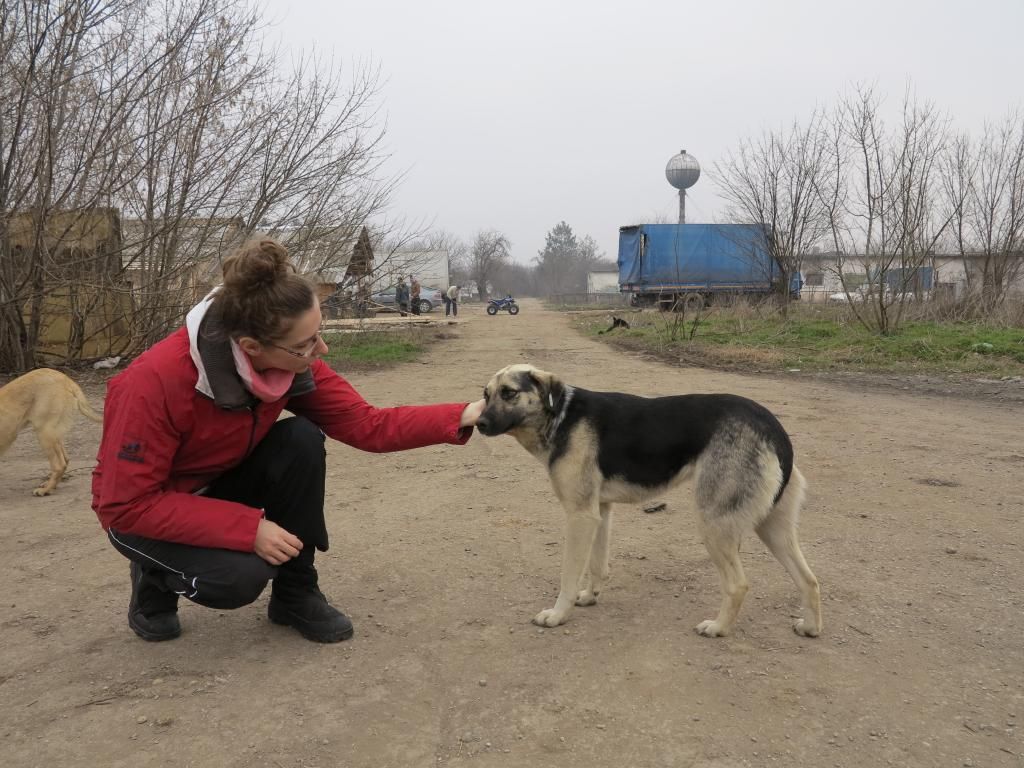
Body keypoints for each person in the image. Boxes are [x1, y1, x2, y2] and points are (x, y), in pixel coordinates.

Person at [91, 238, 485, 643]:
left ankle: (295, 593)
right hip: (143, 511)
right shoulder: (152, 382)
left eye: (318, 334)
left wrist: (467, 413)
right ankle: (154, 577)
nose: (321, 349)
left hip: (216, 485)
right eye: (305, 345)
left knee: (301, 438)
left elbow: (369, 425)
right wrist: (248, 529)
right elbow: (125, 506)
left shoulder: (289, 363)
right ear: (251, 347)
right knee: (238, 579)